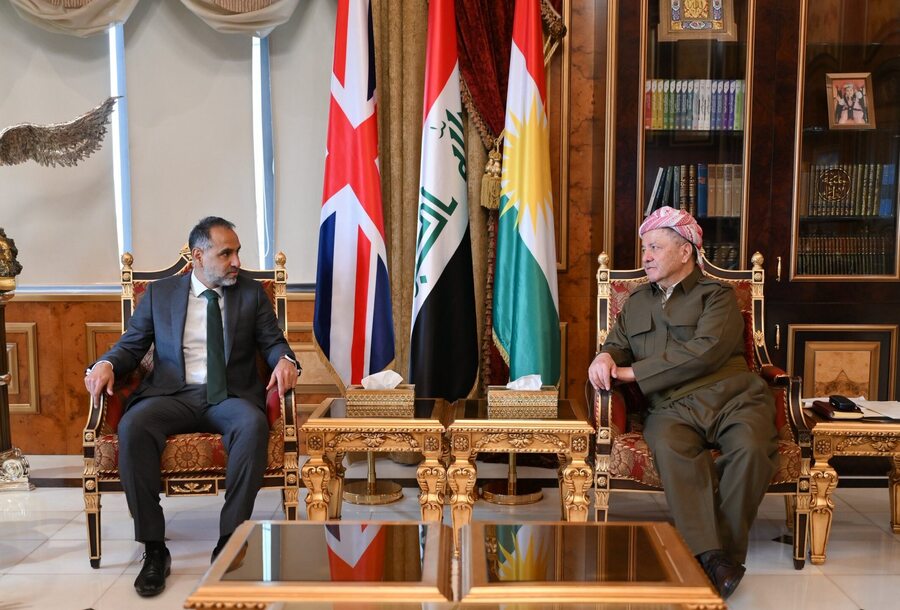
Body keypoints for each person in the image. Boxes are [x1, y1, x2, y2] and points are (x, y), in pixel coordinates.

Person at [84, 216, 300, 597]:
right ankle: (154, 549)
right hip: (173, 395)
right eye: (226, 253)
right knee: (133, 426)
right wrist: (105, 364)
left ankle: (230, 542)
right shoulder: (161, 294)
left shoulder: (251, 294)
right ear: (198, 256)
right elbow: (131, 345)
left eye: (237, 252)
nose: (236, 261)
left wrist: (285, 360)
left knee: (252, 426)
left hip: (230, 396)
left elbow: (273, 342)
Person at [587, 206, 777, 600]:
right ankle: (717, 562)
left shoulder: (717, 296)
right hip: (670, 407)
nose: (646, 257)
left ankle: (713, 557)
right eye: (644, 249)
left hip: (733, 397)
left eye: (655, 247)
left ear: (685, 251)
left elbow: (706, 351)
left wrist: (633, 373)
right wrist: (604, 357)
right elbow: (617, 345)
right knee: (672, 447)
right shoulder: (636, 302)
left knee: (751, 450)